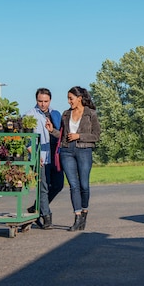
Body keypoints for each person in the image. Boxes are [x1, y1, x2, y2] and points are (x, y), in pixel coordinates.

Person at [46, 86, 101, 231]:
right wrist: (52, 130)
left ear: (79, 98)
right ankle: (77, 217)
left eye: (71, 98)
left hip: (84, 150)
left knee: (84, 185)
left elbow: (96, 136)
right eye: (68, 98)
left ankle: (84, 212)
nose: (69, 101)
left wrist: (79, 136)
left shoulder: (91, 114)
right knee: (73, 185)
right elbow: (63, 136)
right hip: (66, 151)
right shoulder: (66, 114)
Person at [24, 88, 65, 229]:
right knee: (43, 187)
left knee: (58, 185)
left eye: (46, 101)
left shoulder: (56, 114)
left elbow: (61, 134)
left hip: (55, 155)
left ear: (50, 100)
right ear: (36, 100)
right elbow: (25, 139)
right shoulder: (29, 115)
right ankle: (47, 217)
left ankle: (36, 208)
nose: (43, 104)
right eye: (40, 101)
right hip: (40, 156)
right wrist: (34, 154)